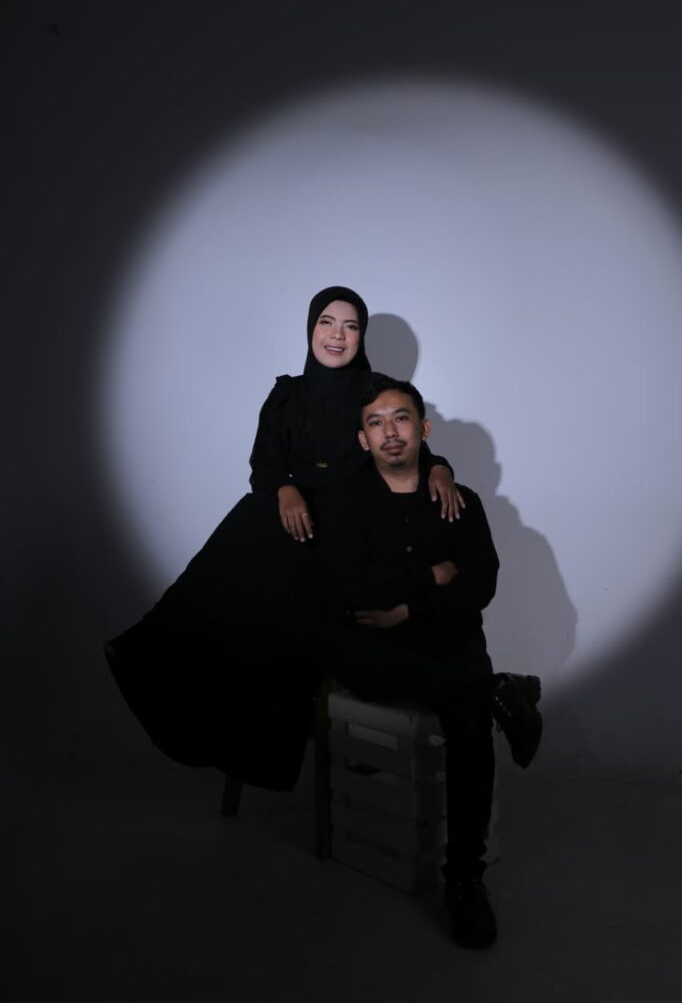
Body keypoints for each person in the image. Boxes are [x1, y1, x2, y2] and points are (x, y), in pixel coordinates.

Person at [105, 287, 461, 791]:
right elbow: (265, 463)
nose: (337, 335)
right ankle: (163, 665)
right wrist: (286, 489)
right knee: (256, 524)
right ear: (310, 328)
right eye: (326, 322)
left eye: (351, 326)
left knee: (258, 535)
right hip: (293, 525)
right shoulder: (287, 395)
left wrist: (440, 468)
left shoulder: (374, 390)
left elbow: (403, 442)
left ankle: (154, 650)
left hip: (349, 531)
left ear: (361, 337)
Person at [314, 374, 543, 949]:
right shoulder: (344, 502)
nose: (390, 432)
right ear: (363, 439)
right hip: (374, 652)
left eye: (401, 418)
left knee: (467, 716)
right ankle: (499, 690)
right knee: (466, 690)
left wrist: (409, 605)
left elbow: (480, 584)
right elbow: (350, 587)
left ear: (424, 429)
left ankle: (464, 879)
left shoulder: (460, 502)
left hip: (446, 642)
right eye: (376, 423)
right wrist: (432, 578)